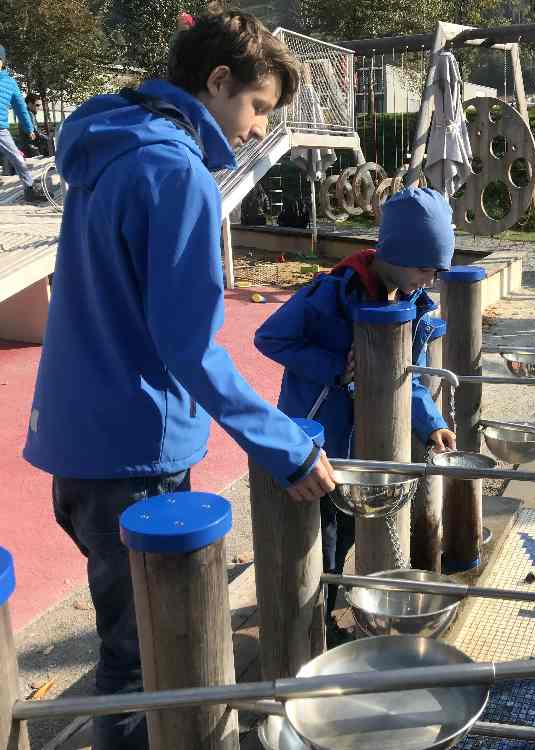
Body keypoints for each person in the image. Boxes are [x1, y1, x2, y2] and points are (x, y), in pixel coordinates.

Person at [22, 12, 337, 749]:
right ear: (218, 81)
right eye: (258, 107)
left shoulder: (105, 150)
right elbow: (192, 346)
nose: (259, 129)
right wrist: (282, 445)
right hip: (137, 455)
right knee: (146, 664)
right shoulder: (176, 173)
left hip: (75, 448)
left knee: (124, 641)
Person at [255, 187, 459, 644]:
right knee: (317, 540)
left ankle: (335, 602)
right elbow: (270, 338)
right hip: (319, 442)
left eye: (436, 272)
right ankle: (312, 628)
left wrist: (432, 425)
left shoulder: (414, 304)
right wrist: (332, 367)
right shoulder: (331, 293)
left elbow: (412, 376)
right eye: (426, 268)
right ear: (398, 254)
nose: (429, 280)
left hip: (363, 447)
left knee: (347, 529)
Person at [0, 45, 44, 202]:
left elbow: (21, 108)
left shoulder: (10, 83)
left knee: (17, 158)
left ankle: (30, 189)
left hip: (1, 130)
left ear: (2, 62)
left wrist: (29, 128)